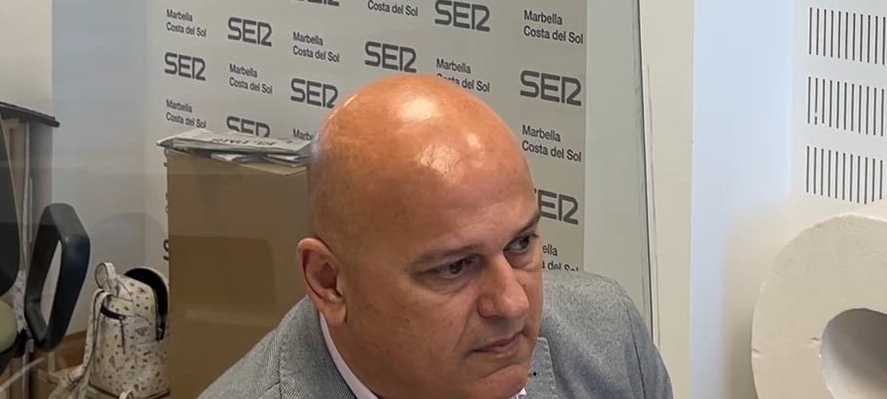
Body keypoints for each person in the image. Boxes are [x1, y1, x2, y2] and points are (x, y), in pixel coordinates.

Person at [200, 76, 673, 399]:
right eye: (454, 267)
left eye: (520, 245)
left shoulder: (610, 338)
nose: (513, 304)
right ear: (329, 282)